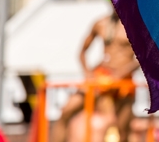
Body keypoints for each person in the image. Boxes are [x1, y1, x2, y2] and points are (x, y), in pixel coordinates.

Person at [52, 10, 140, 142]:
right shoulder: (101, 23)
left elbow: (145, 59)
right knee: (67, 110)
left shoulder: (137, 26)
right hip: (101, 75)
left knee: (122, 129)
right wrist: (88, 73)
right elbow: (82, 52)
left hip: (124, 80)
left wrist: (122, 72)